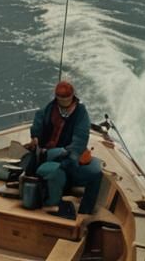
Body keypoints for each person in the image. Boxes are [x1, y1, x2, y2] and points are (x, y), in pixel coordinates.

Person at [25, 80, 103, 216]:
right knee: (93, 174)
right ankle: (54, 200)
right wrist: (35, 137)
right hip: (47, 154)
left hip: (68, 156)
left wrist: (67, 154)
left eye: (66, 99)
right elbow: (38, 121)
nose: (63, 101)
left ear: (73, 97)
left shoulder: (80, 113)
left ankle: (85, 213)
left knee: (96, 173)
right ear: (56, 97)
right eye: (60, 99)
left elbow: (80, 139)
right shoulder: (49, 109)